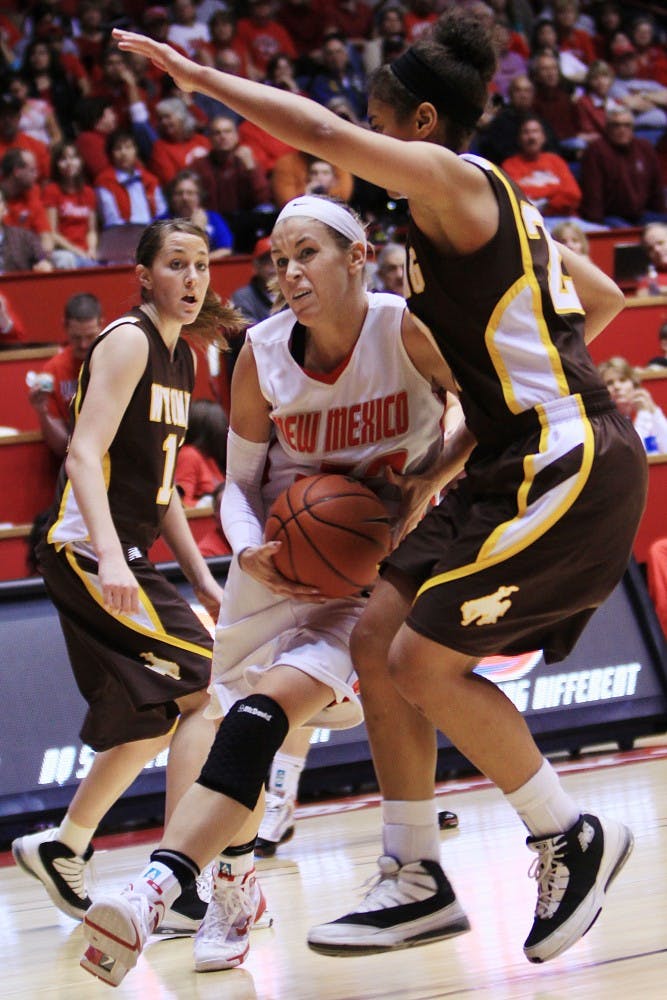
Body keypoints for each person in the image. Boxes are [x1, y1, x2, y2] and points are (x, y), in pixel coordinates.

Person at [107, 9, 645, 974]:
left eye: (379, 126)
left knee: (423, 660)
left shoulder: (455, 180)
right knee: (373, 636)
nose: (366, 144)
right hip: (500, 462)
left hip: (561, 459)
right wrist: (440, 465)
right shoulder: (488, 210)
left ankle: (566, 834)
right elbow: (598, 298)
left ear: (423, 125)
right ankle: (415, 875)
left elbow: (313, 133)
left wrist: (198, 77)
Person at [76, 192, 459, 984]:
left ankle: (157, 889)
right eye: (279, 259)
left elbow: (490, 408)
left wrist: (429, 479)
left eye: (307, 253)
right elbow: (238, 486)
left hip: (376, 575)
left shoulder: (403, 328)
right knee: (229, 729)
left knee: (257, 716)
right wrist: (247, 553)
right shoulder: (261, 349)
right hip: (281, 563)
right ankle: (234, 885)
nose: (288, 273)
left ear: (356, 257)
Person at [12, 219, 244, 936]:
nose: (192, 277)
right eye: (176, 264)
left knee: (158, 712)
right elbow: (83, 455)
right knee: (203, 691)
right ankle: (175, 883)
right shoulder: (128, 341)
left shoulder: (183, 359)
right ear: (144, 275)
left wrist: (202, 578)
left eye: (201, 264)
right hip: (86, 549)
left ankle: (64, 847)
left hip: (127, 552)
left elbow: (164, 487)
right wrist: (111, 557)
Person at [26, 292, 103, 459]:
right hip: (74, 460)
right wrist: (42, 411)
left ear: (101, 326)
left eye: (90, 337)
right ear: (65, 327)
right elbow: (62, 448)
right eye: (76, 338)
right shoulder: (53, 370)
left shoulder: (116, 361)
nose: (83, 345)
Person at [579, 108, 667, 227]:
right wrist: (596, 223)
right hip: (610, 216)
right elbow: (593, 194)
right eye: (616, 125)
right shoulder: (596, 151)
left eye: (627, 125)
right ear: (607, 128)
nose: (622, 130)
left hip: (642, 215)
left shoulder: (645, 148)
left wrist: (659, 214)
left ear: (633, 128)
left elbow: (656, 187)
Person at [501, 113, 583, 228]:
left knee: (603, 232)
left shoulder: (556, 161)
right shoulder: (509, 165)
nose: (531, 137)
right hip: (532, 223)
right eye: (526, 132)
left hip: (567, 220)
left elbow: (573, 195)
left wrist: (544, 202)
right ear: (519, 139)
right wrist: (554, 192)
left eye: (535, 131)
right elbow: (519, 201)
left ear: (543, 137)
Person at [42, 139, 99, 269]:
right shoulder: (52, 190)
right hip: (62, 252)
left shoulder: (88, 192)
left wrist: (91, 249)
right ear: (56, 164)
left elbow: (92, 231)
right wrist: (77, 251)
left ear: (80, 161)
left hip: (85, 253)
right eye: (63, 159)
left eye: (73, 158)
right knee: (67, 260)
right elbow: (52, 232)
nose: (69, 163)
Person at [95, 129, 166, 229]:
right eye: (118, 148)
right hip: (122, 234)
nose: (124, 153)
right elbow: (111, 218)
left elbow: (161, 212)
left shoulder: (150, 180)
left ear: (136, 150)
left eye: (128, 147)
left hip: (151, 232)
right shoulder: (105, 181)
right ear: (111, 154)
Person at [598, 355, 667, 453]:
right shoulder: (603, 424)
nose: (617, 387)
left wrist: (654, 411)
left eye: (622, 380)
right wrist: (644, 415)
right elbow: (632, 452)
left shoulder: (645, 412)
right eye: (609, 383)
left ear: (634, 385)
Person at [161, 168, 233, 259]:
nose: (185, 198)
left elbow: (225, 250)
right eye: (179, 193)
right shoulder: (161, 223)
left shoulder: (214, 218)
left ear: (199, 197)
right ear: (172, 197)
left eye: (190, 193)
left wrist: (201, 261)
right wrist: (197, 230)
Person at [0, 187, 52, 273]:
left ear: (5, 210)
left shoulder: (23, 237)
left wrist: (43, 261)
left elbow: (40, 254)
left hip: (15, 285)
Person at [635, 221, 667, 297]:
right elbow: (642, 295)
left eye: (660, 243)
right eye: (650, 249)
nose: (656, 250)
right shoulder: (649, 282)